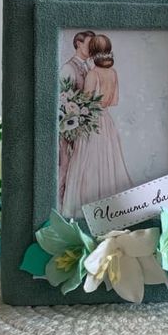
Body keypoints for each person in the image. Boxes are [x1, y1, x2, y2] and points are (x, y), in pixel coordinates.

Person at [61, 34, 133, 218]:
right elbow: (114, 101)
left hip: (92, 120)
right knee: (107, 162)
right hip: (106, 120)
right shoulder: (113, 73)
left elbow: (86, 102)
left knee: (86, 163)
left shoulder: (93, 74)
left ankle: (83, 209)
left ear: (92, 52)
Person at [58, 30, 95, 206]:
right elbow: (61, 100)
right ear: (79, 44)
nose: (92, 48)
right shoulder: (68, 68)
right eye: (89, 44)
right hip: (68, 129)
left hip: (81, 129)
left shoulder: (89, 67)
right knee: (65, 169)